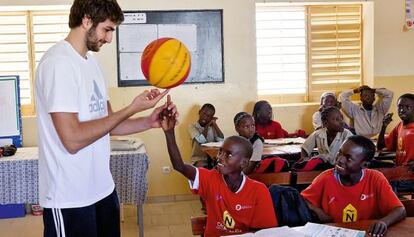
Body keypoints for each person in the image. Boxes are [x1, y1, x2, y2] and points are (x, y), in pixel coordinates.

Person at [35, 1, 172, 236]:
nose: (109, 39)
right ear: (86, 20)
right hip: (69, 198)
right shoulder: (58, 64)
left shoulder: (92, 64)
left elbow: (108, 124)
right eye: (107, 30)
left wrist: (149, 120)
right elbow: (73, 139)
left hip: (103, 190)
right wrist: (131, 108)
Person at [161, 100, 278, 236]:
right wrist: (169, 133)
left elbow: (266, 233)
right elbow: (179, 166)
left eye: (229, 154)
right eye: (221, 152)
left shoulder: (259, 191)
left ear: (244, 163)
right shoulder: (210, 178)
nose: (220, 157)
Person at [301, 135, 406, 237]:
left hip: (367, 233)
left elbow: (400, 210)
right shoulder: (325, 178)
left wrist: (384, 222)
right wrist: (318, 212)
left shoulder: (375, 178)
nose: (340, 160)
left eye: (348, 158)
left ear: (364, 165)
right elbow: (302, 199)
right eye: (340, 153)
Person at [377, 94, 414, 193]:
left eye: (408, 107)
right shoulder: (399, 126)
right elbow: (381, 146)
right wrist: (384, 126)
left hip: (409, 177)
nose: (402, 110)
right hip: (400, 173)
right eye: (400, 107)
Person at [188, 103, 224, 168]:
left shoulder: (212, 127)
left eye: (209, 116)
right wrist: (208, 125)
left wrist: (215, 124)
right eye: (204, 114)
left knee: (222, 167)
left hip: (213, 158)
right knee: (205, 167)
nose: (205, 117)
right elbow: (201, 140)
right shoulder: (192, 126)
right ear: (199, 112)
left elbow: (221, 140)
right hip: (199, 158)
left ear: (211, 118)